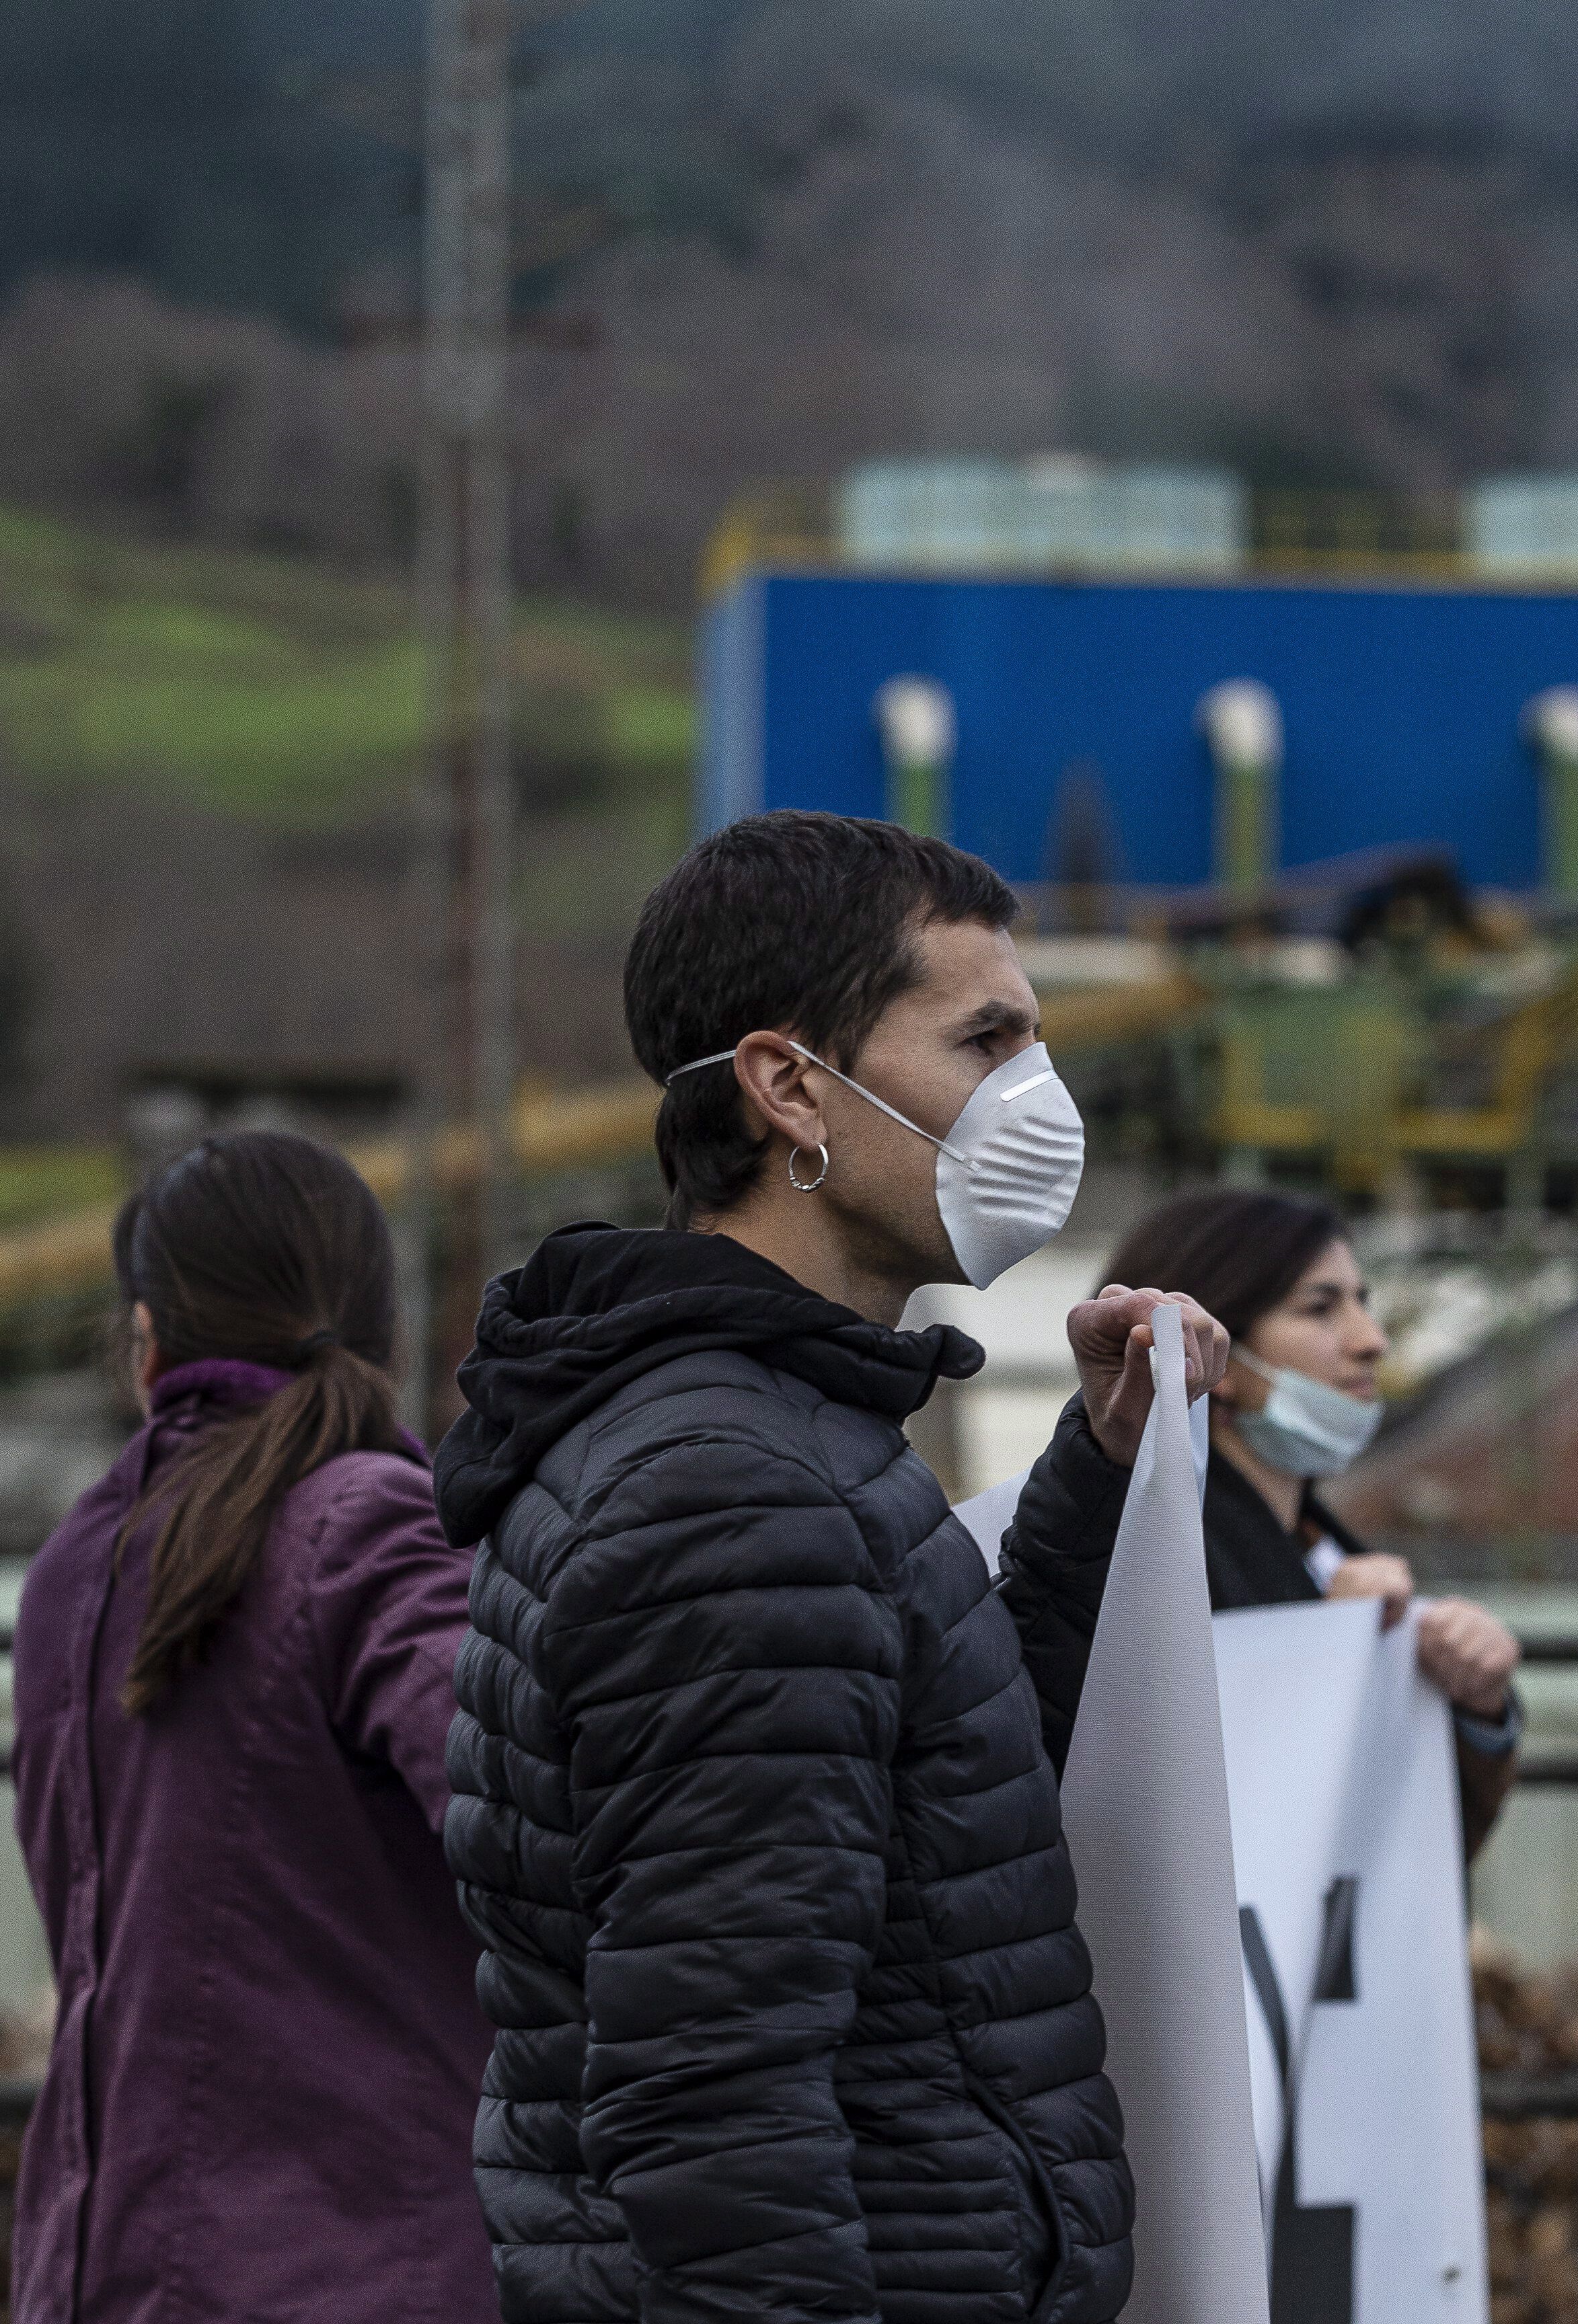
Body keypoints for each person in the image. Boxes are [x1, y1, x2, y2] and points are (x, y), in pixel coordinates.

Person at [435, 810, 1225, 2324]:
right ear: (791, 1087)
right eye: (983, 1040)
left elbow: (935, 1814)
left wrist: (1095, 1474)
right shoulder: (736, 1497)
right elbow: (717, 2105)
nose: (1035, 1099)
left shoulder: (774, 1438)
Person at [8, 1130, 491, 2322]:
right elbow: (536, 1818)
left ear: (147, 1343)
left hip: (93, 2267)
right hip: (364, 2270)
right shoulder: (371, 1522)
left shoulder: (74, 1565)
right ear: (381, 1331)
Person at [1103, 1186, 1525, 1857]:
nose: (1371, 1341)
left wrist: (1480, 1705)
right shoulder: (1147, 1560)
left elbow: (1412, 1855)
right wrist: (1323, 1652)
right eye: (1321, 1309)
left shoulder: (1324, 1545)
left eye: (1364, 1303)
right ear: (1216, 1352)